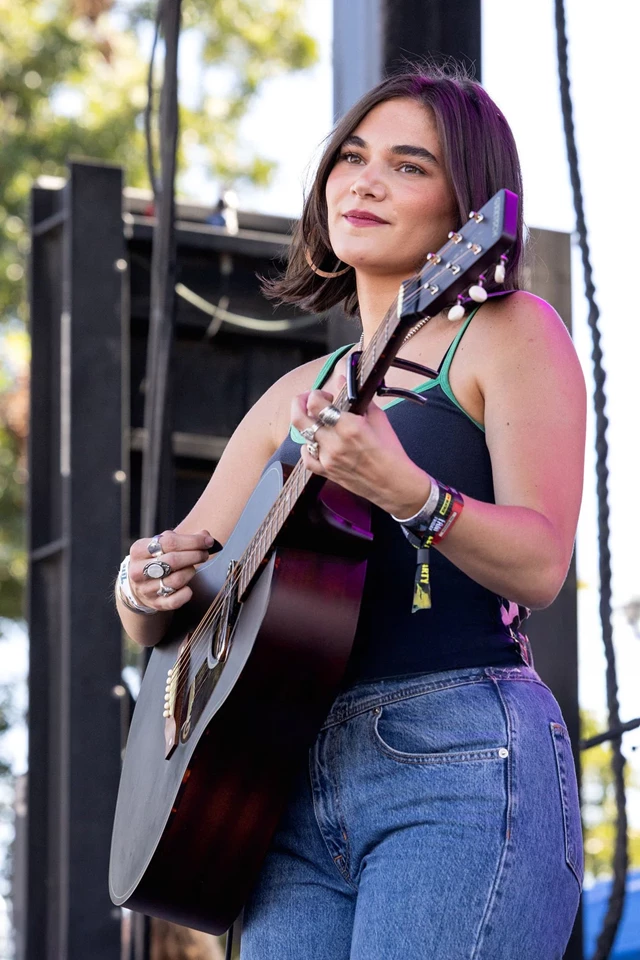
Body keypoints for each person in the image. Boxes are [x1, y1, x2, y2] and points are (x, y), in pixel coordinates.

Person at [116, 66, 586, 959]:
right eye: (351, 157)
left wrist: (411, 491)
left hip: (457, 758)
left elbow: (540, 564)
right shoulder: (297, 394)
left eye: (409, 166)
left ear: (465, 213)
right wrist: (144, 581)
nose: (364, 181)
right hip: (280, 785)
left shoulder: (511, 332)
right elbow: (173, 607)